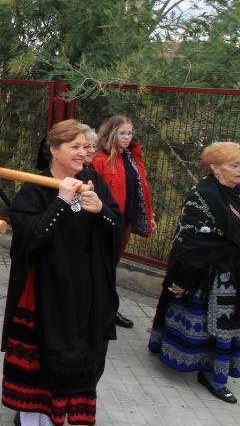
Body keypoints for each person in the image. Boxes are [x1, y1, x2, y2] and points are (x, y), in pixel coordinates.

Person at [2, 119, 122, 426]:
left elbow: (115, 223)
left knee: (73, 352)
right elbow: (29, 239)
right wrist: (59, 202)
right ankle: (29, 419)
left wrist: (102, 211)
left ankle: (47, 416)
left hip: (83, 287)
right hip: (44, 289)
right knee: (40, 353)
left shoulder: (92, 179)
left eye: (87, 147)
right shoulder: (35, 186)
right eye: (76, 147)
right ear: (54, 150)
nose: (84, 153)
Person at [149, 142, 240, 404]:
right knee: (205, 322)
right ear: (215, 168)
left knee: (227, 327)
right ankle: (212, 375)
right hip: (207, 275)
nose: (239, 170)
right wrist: (185, 277)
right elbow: (190, 242)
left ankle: (215, 370)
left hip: (234, 273)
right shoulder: (202, 195)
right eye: (234, 165)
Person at [92, 115, 157, 329]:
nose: (128, 137)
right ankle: (102, 309)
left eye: (130, 132)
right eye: (122, 132)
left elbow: (141, 190)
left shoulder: (133, 157)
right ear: (111, 133)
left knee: (112, 265)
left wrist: (149, 217)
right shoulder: (100, 158)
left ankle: (107, 308)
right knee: (101, 265)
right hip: (103, 221)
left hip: (125, 221)